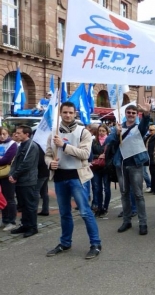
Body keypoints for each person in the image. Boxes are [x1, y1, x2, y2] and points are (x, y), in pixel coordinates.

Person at [45, 101, 102, 259]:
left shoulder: (83, 132)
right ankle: (65, 242)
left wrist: (63, 145)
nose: (68, 115)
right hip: (60, 177)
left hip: (78, 177)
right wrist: (50, 162)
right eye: (65, 112)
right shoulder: (54, 132)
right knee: (64, 213)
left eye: (71, 112)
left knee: (85, 212)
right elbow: (48, 154)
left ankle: (95, 243)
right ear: (61, 113)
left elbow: (85, 154)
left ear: (75, 113)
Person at [106, 98, 151, 235]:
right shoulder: (118, 127)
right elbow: (109, 142)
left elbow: (145, 125)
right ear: (125, 113)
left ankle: (143, 223)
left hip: (135, 164)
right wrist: (117, 134)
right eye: (128, 112)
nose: (131, 114)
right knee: (124, 194)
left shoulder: (139, 128)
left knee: (138, 194)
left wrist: (147, 113)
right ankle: (126, 221)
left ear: (136, 115)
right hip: (121, 164)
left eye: (133, 113)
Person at [9, 125, 39, 238]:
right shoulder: (21, 145)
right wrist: (12, 174)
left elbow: (27, 164)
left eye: (19, 133)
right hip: (20, 179)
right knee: (23, 205)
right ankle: (25, 224)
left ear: (27, 134)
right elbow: (16, 161)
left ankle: (32, 227)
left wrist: (15, 175)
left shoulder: (32, 146)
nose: (16, 135)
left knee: (29, 205)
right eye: (16, 133)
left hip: (28, 180)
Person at [91, 124, 111, 217]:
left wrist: (106, 157)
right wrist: (97, 156)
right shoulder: (94, 141)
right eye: (100, 131)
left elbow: (112, 153)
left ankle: (105, 207)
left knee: (107, 189)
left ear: (107, 132)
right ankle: (99, 207)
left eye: (103, 131)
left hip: (106, 168)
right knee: (97, 188)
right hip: (96, 167)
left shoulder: (109, 141)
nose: (101, 132)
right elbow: (90, 154)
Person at [0, 127, 18, 231]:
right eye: (0, 134)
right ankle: (5, 219)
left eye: (4, 134)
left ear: (8, 134)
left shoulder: (12, 144)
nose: (2, 136)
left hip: (7, 175)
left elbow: (7, 159)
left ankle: (12, 221)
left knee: (9, 198)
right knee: (1, 199)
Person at [145, 125, 155, 195]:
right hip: (148, 157)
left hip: (153, 157)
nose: (150, 131)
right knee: (151, 173)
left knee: (154, 173)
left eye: (152, 130)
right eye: (149, 130)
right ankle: (153, 188)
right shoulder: (148, 137)